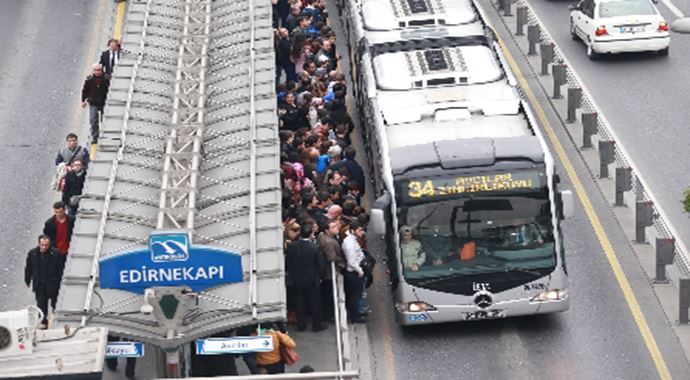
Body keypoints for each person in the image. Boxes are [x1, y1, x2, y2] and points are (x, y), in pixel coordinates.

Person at [284, 222, 326, 332]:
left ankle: (301, 325)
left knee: (299, 303)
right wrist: (320, 276)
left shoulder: (292, 247)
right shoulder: (315, 248)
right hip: (312, 279)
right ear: (311, 234)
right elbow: (321, 265)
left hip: (296, 279)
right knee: (315, 302)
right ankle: (317, 325)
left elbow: (288, 263)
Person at [24, 235, 64, 328]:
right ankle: (43, 322)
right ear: (39, 244)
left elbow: (60, 270)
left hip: (53, 284)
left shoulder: (56, 254)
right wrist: (27, 279)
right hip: (40, 284)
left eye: (46, 245)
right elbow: (28, 268)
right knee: (41, 305)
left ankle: (56, 320)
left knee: (55, 304)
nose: (44, 247)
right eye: (42, 245)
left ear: (49, 244)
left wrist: (60, 282)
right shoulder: (32, 253)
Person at [317, 219, 346, 321]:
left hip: (325, 272)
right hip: (329, 273)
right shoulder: (329, 242)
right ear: (327, 230)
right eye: (333, 227)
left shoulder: (322, 236)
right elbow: (331, 257)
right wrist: (342, 260)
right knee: (329, 295)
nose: (336, 228)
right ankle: (328, 315)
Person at [342, 221, 367, 324]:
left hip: (356, 271)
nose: (363, 232)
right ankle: (354, 316)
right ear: (353, 230)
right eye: (360, 230)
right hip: (353, 273)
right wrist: (360, 271)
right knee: (354, 296)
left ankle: (355, 314)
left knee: (356, 295)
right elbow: (351, 261)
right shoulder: (349, 244)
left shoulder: (353, 240)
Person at [81, 63, 110, 143]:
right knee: (93, 120)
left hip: (104, 102)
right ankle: (95, 137)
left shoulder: (106, 78)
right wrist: (83, 100)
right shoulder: (89, 79)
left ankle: (105, 136)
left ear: (102, 70)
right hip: (93, 103)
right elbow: (85, 90)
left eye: (98, 70)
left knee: (105, 120)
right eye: (95, 70)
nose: (97, 72)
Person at [43, 202, 75, 267]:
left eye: (60, 212)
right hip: (56, 252)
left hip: (68, 250)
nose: (58, 214)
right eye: (56, 212)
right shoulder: (49, 223)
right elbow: (46, 237)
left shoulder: (71, 220)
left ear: (64, 210)